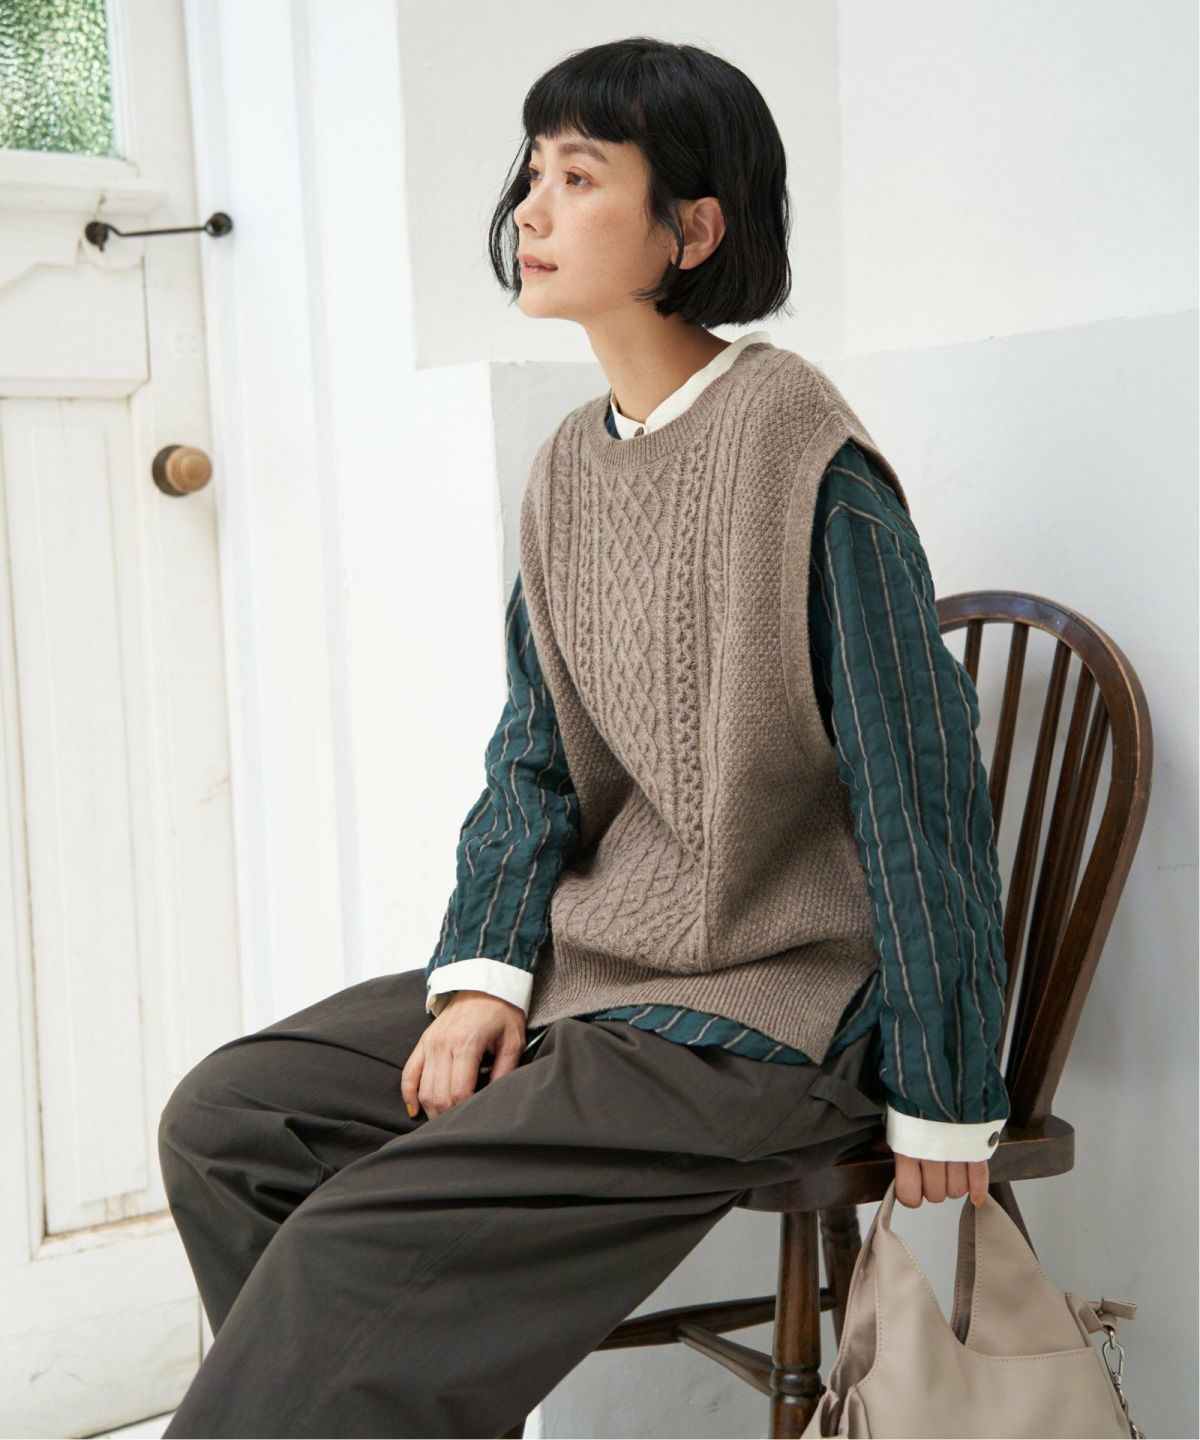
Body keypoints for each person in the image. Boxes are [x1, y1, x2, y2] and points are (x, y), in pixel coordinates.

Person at [158, 36, 1009, 1439]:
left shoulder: (803, 456)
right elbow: (534, 759)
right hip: (603, 973)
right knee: (234, 1120)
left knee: (351, 1239)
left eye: (578, 176)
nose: (529, 210)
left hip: (776, 1011)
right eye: (531, 173)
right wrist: (482, 978)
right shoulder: (568, 469)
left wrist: (947, 1091)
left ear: (692, 229)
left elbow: (921, 790)